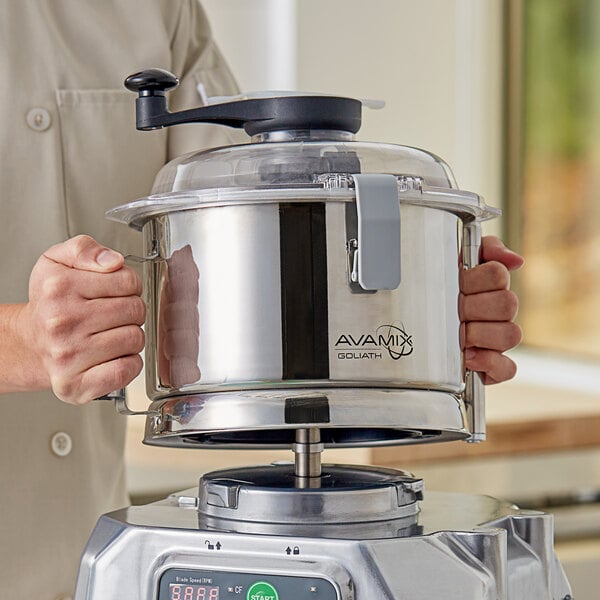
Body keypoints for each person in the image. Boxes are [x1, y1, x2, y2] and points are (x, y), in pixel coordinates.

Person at [0, 2, 523, 597]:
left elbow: (238, 208)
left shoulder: (159, 11)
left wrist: (422, 280)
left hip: (94, 562)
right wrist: (21, 343)